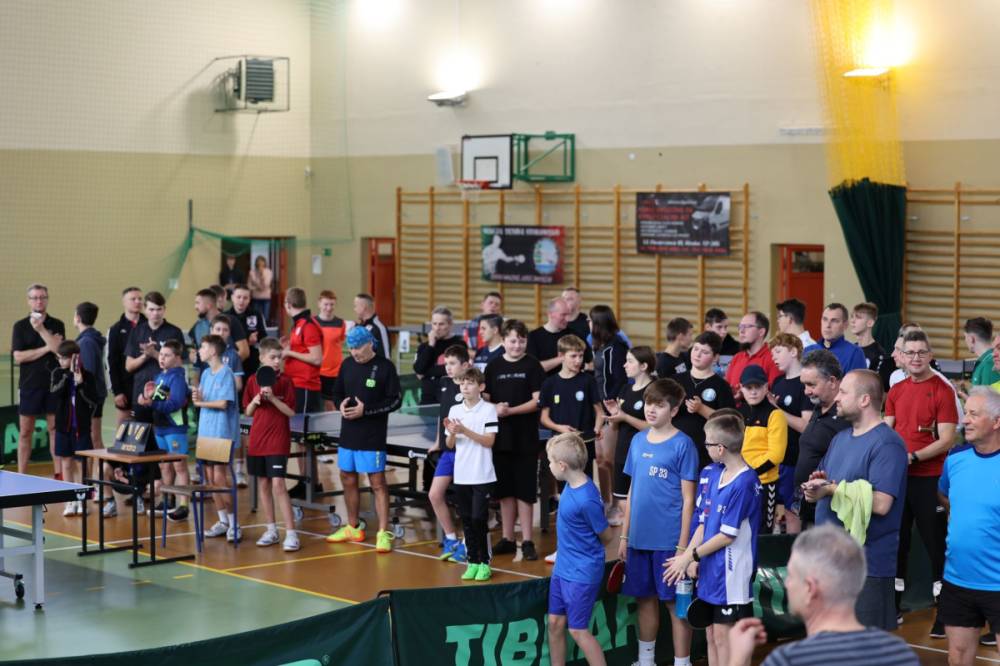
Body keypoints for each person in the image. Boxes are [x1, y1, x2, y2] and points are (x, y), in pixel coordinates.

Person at [803, 369, 909, 631]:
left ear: (864, 400)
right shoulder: (840, 439)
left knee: (863, 648)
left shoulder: (887, 444)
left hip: (867, 567)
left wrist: (831, 489)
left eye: (843, 392)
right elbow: (830, 485)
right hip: (831, 564)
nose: (837, 398)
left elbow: (882, 503)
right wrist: (816, 489)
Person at [727, 525, 919, 666]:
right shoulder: (900, 654)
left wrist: (737, 658)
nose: (786, 583)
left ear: (810, 588)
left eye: (791, 575)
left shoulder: (788, 660)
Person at [663, 411, 761, 666]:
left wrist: (691, 556)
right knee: (712, 635)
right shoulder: (715, 474)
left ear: (720, 448)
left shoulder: (745, 482)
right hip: (710, 567)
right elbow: (704, 524)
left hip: (731, 573)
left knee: (725, 638)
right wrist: (688, 556)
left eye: (707, 442)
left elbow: (727, 536)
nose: (704, 446)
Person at [619, 379, 699, 666]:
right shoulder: (637, 441)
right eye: (648, 403)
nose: (651, 409)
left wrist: (683, 547)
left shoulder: (684, 444)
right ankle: (646, 660)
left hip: (669, 542)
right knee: (644, 600)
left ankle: (682, 662)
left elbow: (689, 500)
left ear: (674, 410)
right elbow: (632, 491)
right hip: (638, 539)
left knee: (675, 605)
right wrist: (624, 537)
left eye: (659, 405)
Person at [884, 330, 957, 635]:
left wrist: (912, 457)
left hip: (930, 480)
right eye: (909, 352)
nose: (915, 358)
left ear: (930, 355)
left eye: (921, 352)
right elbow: (886, 432)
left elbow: (947, 440)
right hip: (899, 481)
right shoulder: (896, 390)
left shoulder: (942, 390)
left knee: (936, 546)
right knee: (897, 544)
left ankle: (945, 614)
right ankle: (893, 608)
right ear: (901, 356)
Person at [326, 327, 402, 553]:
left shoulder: (385, 367)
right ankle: (353, 527)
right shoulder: (347, 365)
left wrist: (365, 410)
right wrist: (340, 404)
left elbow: (395, 401)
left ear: (370, 344)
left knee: (377, 483)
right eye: (350, 348)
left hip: (372, 435)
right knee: (347, 477)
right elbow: (336, 392)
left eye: (358, 347)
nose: (354, 352)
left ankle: (383, 532)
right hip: (348, 433)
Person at [938, 387, 1000, 664]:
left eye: (974, 414)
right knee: (959, 656)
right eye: (966, 414)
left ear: (997, 422)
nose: (965, 420)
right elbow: (945, 495)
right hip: (958, 580)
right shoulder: (955, 459)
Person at [545, 433, 613, 666]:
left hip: (581, 574)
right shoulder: (571, 484)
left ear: (562, 466)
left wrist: (583, 552)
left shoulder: (587, 499)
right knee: (554, 623)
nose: (549, 465)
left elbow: (607, 536)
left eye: (550, 461)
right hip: (563, 569)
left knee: (578, 630)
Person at [485, 319, 545, 561]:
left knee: (525, 491)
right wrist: (494, 408)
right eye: (512, 341)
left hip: (526, 438)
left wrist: (510, 411)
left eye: (521, 341)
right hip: (500, 439)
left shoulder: (533, 365)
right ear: (503, 341)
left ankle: (527, 540)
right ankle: (508, 538)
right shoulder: (493, 366)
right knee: (505, 491)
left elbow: (538, 400)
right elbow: (485, 398)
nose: (517, 345)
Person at [540, 334, 603, 563]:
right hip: (560, 451)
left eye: (581, 356)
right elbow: (544, 417)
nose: (578, 361)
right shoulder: (550, 384)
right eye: (573, 356)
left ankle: (589, 543)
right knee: (566, 500)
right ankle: (564, 548)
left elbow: (599, 412)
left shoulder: (587, 381)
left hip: (583, 448)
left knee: (585, 494)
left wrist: (597, 428)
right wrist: (560, 428)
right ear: (561, 356)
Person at [243, 337, 300, 551]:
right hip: (257, 439)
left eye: (279, 357)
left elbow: (291, 412)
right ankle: (271, 530)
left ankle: (291, 534)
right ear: (262, 358)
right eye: (273, 357)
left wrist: (274, 398)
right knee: (264, 484)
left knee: (278, 484)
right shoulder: (252, 381)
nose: (277, 361)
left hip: (278, 439)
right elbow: (248, 412)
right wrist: (255, 401)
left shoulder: (286, 381)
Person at [444, 367, 499, 581]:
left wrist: (464, 430)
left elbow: (489, 441)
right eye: (462, 383)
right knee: (466, 519)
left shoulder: (488, 410)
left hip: (482, 474)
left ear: (481, 387)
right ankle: (472, 562)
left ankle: (484, 562)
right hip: (462, 475)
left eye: (470, 383)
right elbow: (450, 444)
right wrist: (452, 433)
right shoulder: (454, 410)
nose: (465, 387)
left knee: (478, 519)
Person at [193, 334, 241, 543]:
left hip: (221, 433)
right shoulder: (205, 373)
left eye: (203, 347)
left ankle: (234, 524)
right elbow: (204, 397)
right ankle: (222, 521)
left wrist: (200, 403)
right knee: (210, 480)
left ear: (212, 351)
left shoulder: (226, 373)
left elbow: (223, 403)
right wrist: (197, 396)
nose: (199, 350)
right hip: (205, 431)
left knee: (220, 479)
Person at [12, 283, 64, 475]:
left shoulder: (57, 324)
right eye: (34, 298)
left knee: (54, 430)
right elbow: (19, 357)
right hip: (29, 385)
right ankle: (22, 475)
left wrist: (42, 330)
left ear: (47, 299)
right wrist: (47, 347)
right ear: (28, 301)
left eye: (42, 297)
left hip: (54, 385)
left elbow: (59, 351)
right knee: (25, 431)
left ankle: (59, 475)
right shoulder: (20, 326)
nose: (39, 301)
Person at [601, 345, 656, 527]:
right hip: (624, 452)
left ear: (644, 366)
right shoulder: (625, 389)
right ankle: (630, 537)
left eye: (630, 361)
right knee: (622, 499)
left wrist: (625, 417)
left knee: (643, 501)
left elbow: (654, 427)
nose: (625, 365)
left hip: (646, 455)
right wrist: (615, 416)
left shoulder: (653, 390)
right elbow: (616, 426)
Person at [794, 350, 849, 527]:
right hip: (809, 508)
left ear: (832, 381)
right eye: (804, 385)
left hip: (830, 513)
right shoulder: (819, 407)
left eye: (811, 385)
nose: (806, 391)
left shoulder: (847, 418)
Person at [137, 340, 191, 522]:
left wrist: (153, 403)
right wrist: (146, 400)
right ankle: (168, 500)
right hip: (159, 427)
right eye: (161, 354)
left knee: (179, 466)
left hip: (174, 428)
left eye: (167, 355)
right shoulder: (160, 376)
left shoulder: (177, 378)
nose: (162, 358)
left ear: (177, 358)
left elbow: (175, 403)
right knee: (164, 466)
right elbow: (159, 400)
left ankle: (183, 506)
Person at [768, 334, 813, 534]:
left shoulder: (805, 383)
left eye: (778, 352)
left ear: (794, 352)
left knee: (793, 511)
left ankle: (793, 550)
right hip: (777, 458)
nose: (774, 357)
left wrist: (777, 410)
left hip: (795, 459)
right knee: (774, 510)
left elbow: (806, 426)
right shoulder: (778, 382)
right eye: (772, 354)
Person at [431, 345, 471, 562]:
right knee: (435, 494)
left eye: (452, 363)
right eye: (446, 363)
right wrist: (438, 441)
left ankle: (467, 543)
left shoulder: (470, 387)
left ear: (465, 365)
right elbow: (442, 415)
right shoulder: (444, 383)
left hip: (466, 452)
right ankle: (451, 538)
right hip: (448, 450)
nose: (448, 367)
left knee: (465, 500)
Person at [674, 331, 736, 468]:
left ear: (715, 358)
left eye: (705, 352)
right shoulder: (676, 380)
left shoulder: (721, 386)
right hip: (674, 447)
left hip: (704, 452)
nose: (697, 354)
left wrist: (701, 409)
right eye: (696, 349)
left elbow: (729, 421)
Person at [737, 364, 787, 532]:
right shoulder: (739, 413)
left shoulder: (775, 414)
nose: (753, 392)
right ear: (741, 388)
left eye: (757, 387)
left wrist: (748, 473)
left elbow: (776, 455)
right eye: (748, 387)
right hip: (739, 481)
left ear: (766, 387)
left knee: (761, 534)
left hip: (764, 484)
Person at [51, 340, 99, 516]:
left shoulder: (88, 376)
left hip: (81, 428)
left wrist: (81, 384)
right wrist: (68, 377)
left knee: (82, 464)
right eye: (59, 358)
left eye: (64, 358)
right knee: (66, 463)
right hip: (63, 427)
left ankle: (82, 500)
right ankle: (69, 501)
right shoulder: (58, 373)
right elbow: (55, 393)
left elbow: (93, 401)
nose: (60, 361)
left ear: (74, 358)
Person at [124, 291, 185, 426]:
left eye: (159, 309)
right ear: (145, 309)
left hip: (164, 392)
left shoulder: (174, 332)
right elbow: (129, 366)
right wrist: (145, 355)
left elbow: (179, 364)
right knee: (142, 435)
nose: (155, 313)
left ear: (164, 309)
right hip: (141, 392)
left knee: (163, 433)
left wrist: (155, 354)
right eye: (151, 309)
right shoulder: (137, 331)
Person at [281, 287, 323, 412]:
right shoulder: (298, 324)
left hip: (305, 385)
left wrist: (289, 352)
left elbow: (316, 359)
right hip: (295, 383)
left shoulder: (308, 325)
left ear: (288, 304)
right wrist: (287, 348)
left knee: (303, 423)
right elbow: (301, 350)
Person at [108, 286, 145, 425]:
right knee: (123, 431)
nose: (137, 302)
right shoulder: (115, 329)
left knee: (148, 429)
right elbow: (112, 362)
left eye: (140, 299)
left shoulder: (150, 325)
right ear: (124, 302)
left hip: (147, 386)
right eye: (133, 299)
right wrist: (117, 391)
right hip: (125, 388)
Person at [528, 297, 593, 377]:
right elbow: (533, 369)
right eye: (563, 315)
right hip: (544, 383)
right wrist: (561, 359)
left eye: (568, 314)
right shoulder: (533, 337)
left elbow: (590, 363)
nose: (567, 319)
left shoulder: (575, 336)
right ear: (550, 314)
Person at [413, 306, 465, 405]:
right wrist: (431, 345)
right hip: (427, 398)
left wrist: (426, 372)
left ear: (450, 325)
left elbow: (457, 370)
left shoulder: (459, 344)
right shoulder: (424, 346)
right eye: (434, 324)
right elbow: (418, 370)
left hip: (450, 397)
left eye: (441, 324)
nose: (437, 328)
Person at [73, 301, 107, 451]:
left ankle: (102, 465)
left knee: (94, 437)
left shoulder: (86, 342)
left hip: (90, 397)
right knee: (93, 437)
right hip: (92, 395)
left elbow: (88, 372)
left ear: (78, 318)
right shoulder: (88, 340)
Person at [725, 311, 781, 398]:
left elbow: (774, 393)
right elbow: (727, 388)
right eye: (740, 327)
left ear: (761, 332)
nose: (741, 331)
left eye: (747, 327)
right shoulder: (737, 357)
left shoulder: (773, 357)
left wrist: (746, 395)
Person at [190, 288, 249, 370]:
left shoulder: (231, 320)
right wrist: (192, 355)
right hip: (205, 375)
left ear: (209, 305)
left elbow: (244, 351)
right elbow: (195, 352)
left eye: (198, 303)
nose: (195, 307)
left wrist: (226, 370)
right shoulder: (197, 326)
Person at [803, 303, 866, 374]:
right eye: (825, 319)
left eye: (834, 321)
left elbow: (857, 381)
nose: (828, 325)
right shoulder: (808, 350)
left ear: (845, 325)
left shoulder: (854, 353)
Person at [316, 290, 347, 411]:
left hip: (335, 371)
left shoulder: (341, 323)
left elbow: (341, 342)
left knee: (332, 405)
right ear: (319, 304)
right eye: (326, 304)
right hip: (317, 370)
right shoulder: (312, 323)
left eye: (332, 304)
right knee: (317, 405)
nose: (329, 308)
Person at [589, 305, 628, 403]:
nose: (588, 323)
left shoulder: (617, 347)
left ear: (598, 323)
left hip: (608, 401)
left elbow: (621, 380)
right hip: (597, 399)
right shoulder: (597, 344)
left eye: (590, 321)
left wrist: (609, 401)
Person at [228, 283, 268, 376]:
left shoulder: (256, 314)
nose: (241, 301)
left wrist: (256, 338)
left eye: (245, 298)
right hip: (232, 360)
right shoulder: (226, 316)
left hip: (252, 361)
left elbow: (263, 337)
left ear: (249, 299)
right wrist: (246, 341)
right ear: (232, 298)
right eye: (238, 297)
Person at [850, 302, 887, 378]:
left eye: (858, 317)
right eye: (852, 317)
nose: (853, 321)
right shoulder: (850, 349)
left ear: (870, 323)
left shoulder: (878, 353)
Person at [209, 315, 244, 391]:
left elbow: (238, 385)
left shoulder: (234, 355)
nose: (221, 333)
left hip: (226, 397)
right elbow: (196, 378)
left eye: (225, 330)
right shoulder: (204, 352)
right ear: (211, 331)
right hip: (206, 397)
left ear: (229, 333)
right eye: (218, 329)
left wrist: (222, 391)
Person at [964, 317, 1000, 390]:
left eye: (965, 337)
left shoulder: (990, 365)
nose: (994, 354)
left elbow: (991, 396)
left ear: (971, 339)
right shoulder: (984, 362)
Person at [353, 292, 391, 360]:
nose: (354, 309)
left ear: (363, 307)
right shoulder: (357, 327)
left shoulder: (379, 328)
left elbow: (386, 357)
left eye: (355, 306)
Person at [248, 255, 274, 322]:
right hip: (256, 298)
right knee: (256, 317)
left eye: (262, 265)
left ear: (265, 264)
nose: (261, 266)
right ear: (256, 264)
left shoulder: (268, 272)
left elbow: (266, 285)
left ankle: (265, 328)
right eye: (259, 264)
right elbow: (249, 286)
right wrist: (256, 288)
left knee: (266, 317)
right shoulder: (252, 272)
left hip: (266, 298)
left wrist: (262, 275)